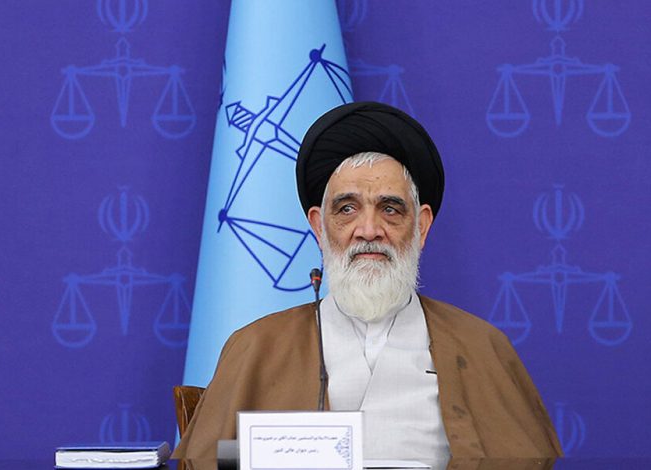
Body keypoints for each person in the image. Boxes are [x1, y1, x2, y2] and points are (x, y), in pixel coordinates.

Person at [173, 102, 562, 460]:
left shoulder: (482, 346)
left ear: (421, 227)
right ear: (319, 227)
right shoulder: (256, 346)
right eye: (347, 209)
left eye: (390, 209)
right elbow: (206, 463)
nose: (369, 229)